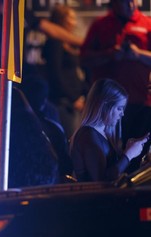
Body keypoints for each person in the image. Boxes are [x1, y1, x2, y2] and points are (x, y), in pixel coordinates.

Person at [80, 0, 151, 168]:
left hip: (140, 102)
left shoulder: (147, 24)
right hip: (107, 106)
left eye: (134, 1)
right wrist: (109, 54)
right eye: (126, 2)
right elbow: (83, 58)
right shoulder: (100, 25)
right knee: (106, 158)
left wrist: (138, 54)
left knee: (138, 158)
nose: (131, 5)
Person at [70, 79, 149, 182]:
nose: (122, 114)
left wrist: (129, 151)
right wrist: (128, 155)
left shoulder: (104, 133)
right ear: (104, 106)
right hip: (93, 197)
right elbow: (102, 181)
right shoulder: (87, 135)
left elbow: (113, 171)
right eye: (119, 108)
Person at [43, 3, 87, 138]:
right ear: (61, 20)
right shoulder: (54, 43)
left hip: (74, 101)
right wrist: (73, 98)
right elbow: (55, 73)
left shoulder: (67, 43)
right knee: (70, 139)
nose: (74, 22)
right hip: (64, 102)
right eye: (71, 18)